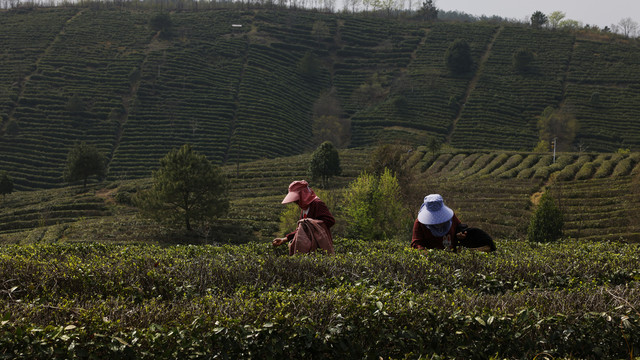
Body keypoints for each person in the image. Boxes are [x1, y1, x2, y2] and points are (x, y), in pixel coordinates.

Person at [272, 180, 335, 254]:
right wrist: (284, 239)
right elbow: (301, 229)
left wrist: (309, 223)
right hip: (309, 247)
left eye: (297, 199)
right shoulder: (304, 209)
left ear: (303, 195)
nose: (295, 202)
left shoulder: (317, 204)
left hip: (319, 246)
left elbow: (330, 221)